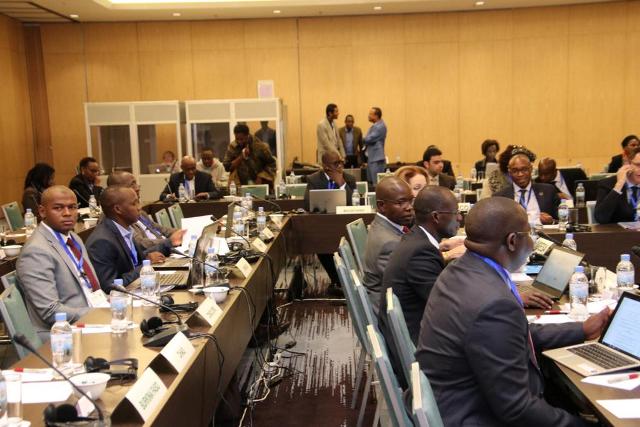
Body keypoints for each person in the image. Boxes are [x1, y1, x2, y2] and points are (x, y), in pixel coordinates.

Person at [416, 197, 610, 426]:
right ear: (512, 241)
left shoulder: (460, 269)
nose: (533, 244)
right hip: (474, 416)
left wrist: (582, 330)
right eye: (529, 234)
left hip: (454, 402)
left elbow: (513, 333)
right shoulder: (493, 304)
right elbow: (517, 408)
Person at [379, 186, 462, 347]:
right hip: (415, 343)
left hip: (411, 331)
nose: (459, 218)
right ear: (436, 217)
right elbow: (448, 304)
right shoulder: (421, 252)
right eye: (455, 213)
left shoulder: (416, 238)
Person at [16, 186, 100, 337]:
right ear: (42, 212)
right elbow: (50, 311)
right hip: (61, 333)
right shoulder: (36, 251)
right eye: (58, 208)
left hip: (90, 318)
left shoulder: (74, 238)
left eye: (72, 207)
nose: (67, 213)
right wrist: (99, 313)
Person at [86, 186, 165, 291]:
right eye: (134, 203)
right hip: (121, 298)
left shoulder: (125, 229)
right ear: (118, 209)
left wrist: (147, 258)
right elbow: (110, 285)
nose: (139, 207)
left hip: (139, 289)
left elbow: (132, 262)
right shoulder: (101, 241)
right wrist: (144, 267)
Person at [304, 152, 357, 291]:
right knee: (322, 244)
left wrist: (341, 183)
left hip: (344, 224)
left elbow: (353, 202)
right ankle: (337, 280)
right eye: (335, 163)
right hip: (323, 226)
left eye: (341, 162)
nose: (340, 166)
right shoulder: (314, 179)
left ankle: (343, 281)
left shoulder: (349, 179)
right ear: (325, 166)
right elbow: (307, 204)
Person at [362, 177, 414, 316]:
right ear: (382, 206)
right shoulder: (389, 243)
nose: (409, 207)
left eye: (410, 201)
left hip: (389, 301)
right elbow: (408, 285)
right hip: (391, 314)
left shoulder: (383, 225)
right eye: (401, 202)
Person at [108, 171, 185, 254]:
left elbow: (160, 229)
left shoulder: (140, 212)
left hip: (166, 248)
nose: (137, 188)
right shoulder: (118, 217)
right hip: (157, 253)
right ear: (117, 190)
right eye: (132, 184)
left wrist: (183, 233)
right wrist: (169, 242)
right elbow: (139, 244)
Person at [494, 153, 559, 225]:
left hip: (542, 231)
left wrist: (552, 221)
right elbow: (496, 225)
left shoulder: (548, 191)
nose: (520, 174)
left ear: (531, 169)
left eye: (524, 170)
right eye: (515, 171)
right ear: (509, 172)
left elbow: (562, 220)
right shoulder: (500, 197)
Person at [223, 123, 277, 190]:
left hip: (259, 184)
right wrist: (241, 157)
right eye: (237, 139)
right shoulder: (233, 147)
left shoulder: (260, 146)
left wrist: (262, 177)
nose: (239, 142)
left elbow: (272, 164)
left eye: (242, 139)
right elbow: (227, 166)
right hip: (240, 185)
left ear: (247, 135)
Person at [595, 146, 640, 224]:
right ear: (627, 164)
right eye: (638, 165)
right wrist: (619, 185)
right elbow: (601, 218)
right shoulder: (607, 184)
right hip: (618, 231)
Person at [363, 107, 387, 186]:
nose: (368, 116)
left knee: (377, 183)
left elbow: (368, 139)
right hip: (373, 157)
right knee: (372, 183)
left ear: (376, 116)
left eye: (370, 114)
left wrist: (362, 138)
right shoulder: (376, 125)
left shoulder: (379, 126)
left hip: (377, 159)